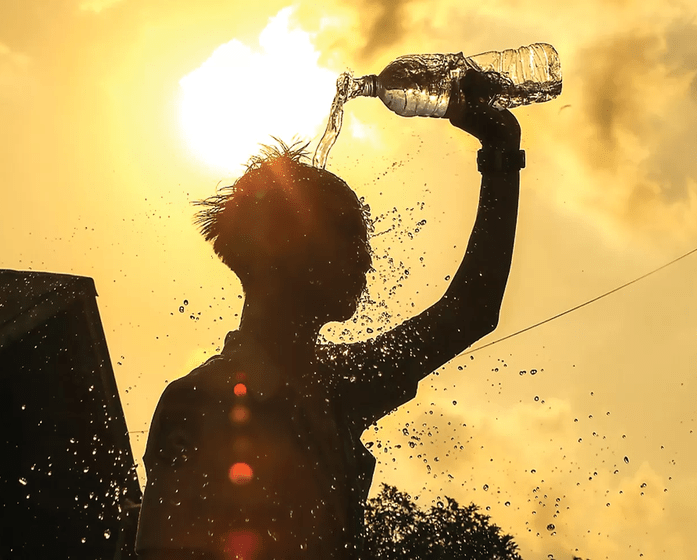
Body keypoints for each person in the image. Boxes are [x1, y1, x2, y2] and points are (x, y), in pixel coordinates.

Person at [136, 71, 523, 560]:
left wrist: (502, 152)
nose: (364, 256)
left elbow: (471, 311)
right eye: (344, 234)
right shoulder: (200, 400)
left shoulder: (335, 384)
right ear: (276, 246)